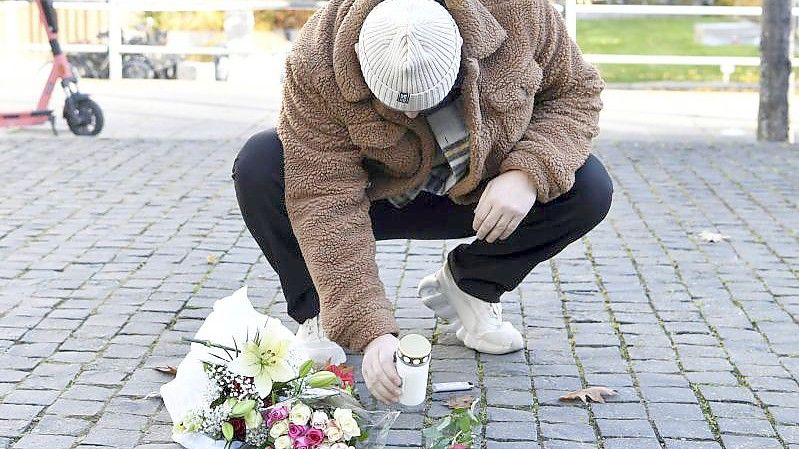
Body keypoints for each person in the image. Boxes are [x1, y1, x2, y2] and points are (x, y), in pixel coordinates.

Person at [232, 0, 613, 405]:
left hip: (479, 190)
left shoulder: (520, 12)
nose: (413, 113)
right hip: (372, 194)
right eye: (398, 103)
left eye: (430, 99)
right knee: (262, 164)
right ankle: (320, 313)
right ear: (359, 55)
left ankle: (472, 285)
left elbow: (576, 95)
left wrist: (527, 174)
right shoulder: (315, 57)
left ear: (464, 48)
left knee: (588, 186)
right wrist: (371, 330)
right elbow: (325, 198)